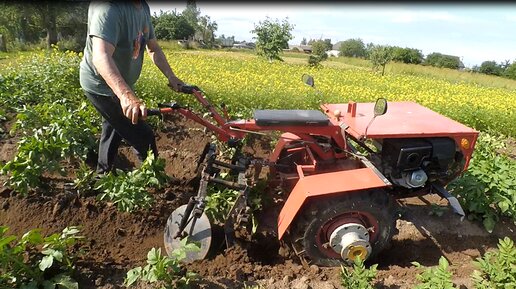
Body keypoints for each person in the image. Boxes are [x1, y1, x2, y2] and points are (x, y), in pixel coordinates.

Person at [79, 0, 185, 174]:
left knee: (113, 127)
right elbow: (101, 56)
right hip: (101, 85)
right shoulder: (110, 9)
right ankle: (155, 181)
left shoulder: (142, 7)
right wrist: (126, 95)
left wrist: (171, 76)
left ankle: (102, 176)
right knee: (144, 137)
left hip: (120, 85)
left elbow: (154, 48)